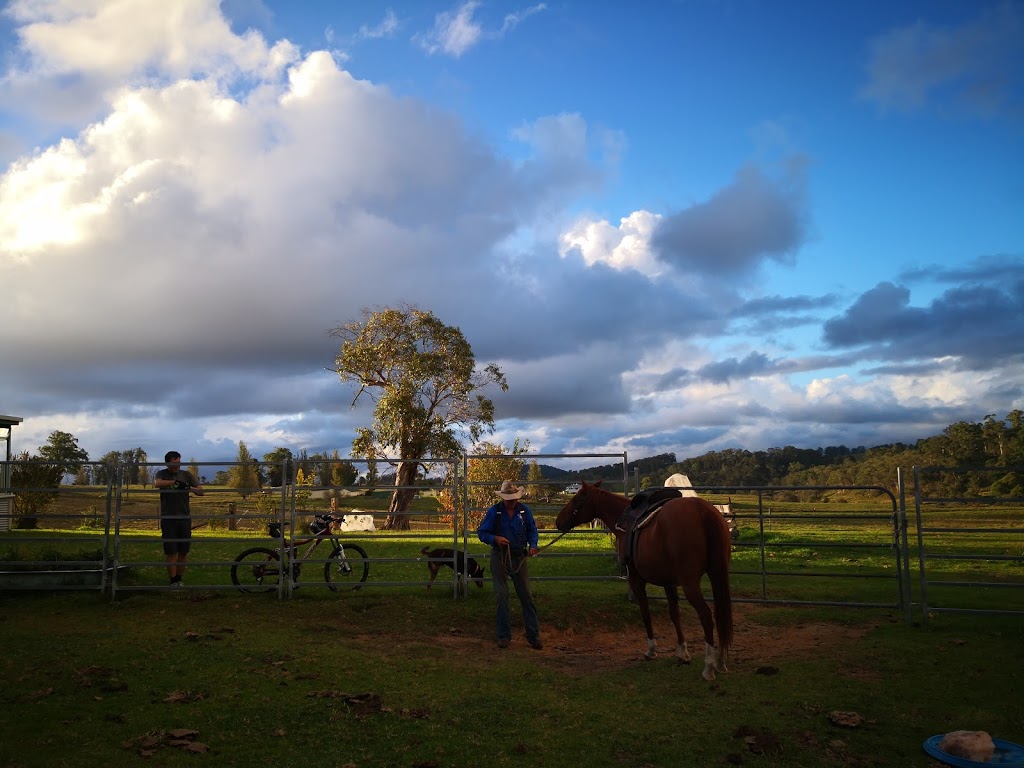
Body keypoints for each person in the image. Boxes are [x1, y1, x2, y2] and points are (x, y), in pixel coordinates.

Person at [477, 480, 542, 649]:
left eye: (513, 498)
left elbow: (532, 530)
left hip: (519, 556)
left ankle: (533, 635)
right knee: (501, 595)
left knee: (526, 595)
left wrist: (533, 545)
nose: (511, 501)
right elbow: (482, 532)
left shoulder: (524, 511)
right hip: (500, 556)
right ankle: (504, 635)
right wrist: (495, 539)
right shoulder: (495, 512)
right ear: (503, 498)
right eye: (509, 498)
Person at [154, 451, 204, 586]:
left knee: (183, 551)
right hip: (168, 518)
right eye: (174, 463)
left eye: (179, 462)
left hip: (184, 517)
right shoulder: (162, 474)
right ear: (167, 463)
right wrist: (174, 482)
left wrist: (189, 487)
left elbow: (201, 491)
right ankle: (173, 581)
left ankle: (179, 579)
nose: (178, 465)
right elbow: (157, 483)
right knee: (171, 551)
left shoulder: (186, 475)